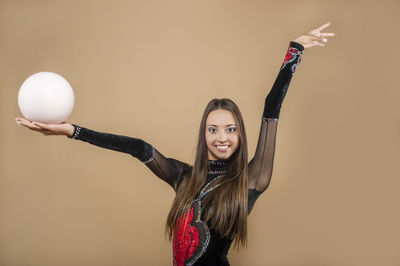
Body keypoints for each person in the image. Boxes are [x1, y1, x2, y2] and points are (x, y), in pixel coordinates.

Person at [16, 22, 335, 266]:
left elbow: (270, 108)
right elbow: (139, 147)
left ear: (240, 135)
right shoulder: (183, 177)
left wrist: (296, 49)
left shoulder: (250, 180)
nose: (222, 137)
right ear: (204, 135)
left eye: (230, 129)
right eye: (213, 129)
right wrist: (72, 130)